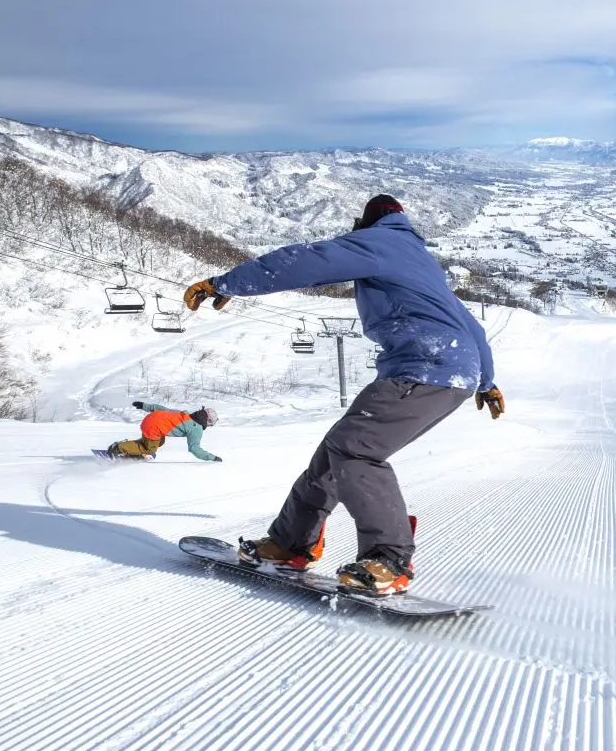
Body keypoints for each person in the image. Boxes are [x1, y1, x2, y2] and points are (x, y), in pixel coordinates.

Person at [183, 194, 504, 596]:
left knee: (356, 450)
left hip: (426, 365)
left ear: (364, 224)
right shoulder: (419, 258)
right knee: (336, 452)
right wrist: (486, 381)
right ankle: (289, 542)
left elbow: (307, 261)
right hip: (445, 368)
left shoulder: (380, 242)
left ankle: (390, 559)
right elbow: (468, 323)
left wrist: (226, 283)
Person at [106, 401, 222, 462]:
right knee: (150, 449)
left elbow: (165, 410)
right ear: (208, 422)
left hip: (151, 420)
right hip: (153, 427)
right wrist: (212, 458)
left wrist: (145, 406)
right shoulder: (196, 428)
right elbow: (194, 449)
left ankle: (130, 447)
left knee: (160, 441)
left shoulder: (186, 414)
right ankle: (119, 448)